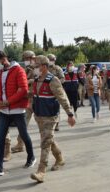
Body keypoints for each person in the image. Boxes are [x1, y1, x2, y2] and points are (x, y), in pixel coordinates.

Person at [0, 51, 36, 176]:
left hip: (17, 109)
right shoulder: (1, 73)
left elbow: (23, 90)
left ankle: (31, 157)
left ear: (4, 59)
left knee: (23, 134)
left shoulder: (18, 70)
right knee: (0, 137)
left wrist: (7, 102)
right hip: (4, 111)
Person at [30, 55, 75, 183]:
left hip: (50, 116)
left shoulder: (53, 80)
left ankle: (41, 171)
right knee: (49, 139)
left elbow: (62, 97)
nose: (34, 69)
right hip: (39, 115)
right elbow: (34, 95)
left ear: (44, 67)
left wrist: (70, 115)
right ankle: (60, 158)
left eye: (36, 67)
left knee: (45, 143)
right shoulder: (37, 79)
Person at [11, 50, 35, 153]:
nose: (25, 61)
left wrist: (31, 81)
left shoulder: (38, 68)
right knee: (23, 124)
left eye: (27, 59)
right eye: (24, 59)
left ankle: (51, 145)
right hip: (28, 100)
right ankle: (20, 144)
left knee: (45, 126)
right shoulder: (25, 69)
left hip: (37, 99)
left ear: (32, 58)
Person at [47, 54, 65, 131]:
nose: (52, 61)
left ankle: (56, 124)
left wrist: (55, 83)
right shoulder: (44, 68)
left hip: (56, 91)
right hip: (46, 91)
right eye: (50, 59)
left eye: (53, 59)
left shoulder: (57, 68)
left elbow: (63, 79)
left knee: (56, 108)